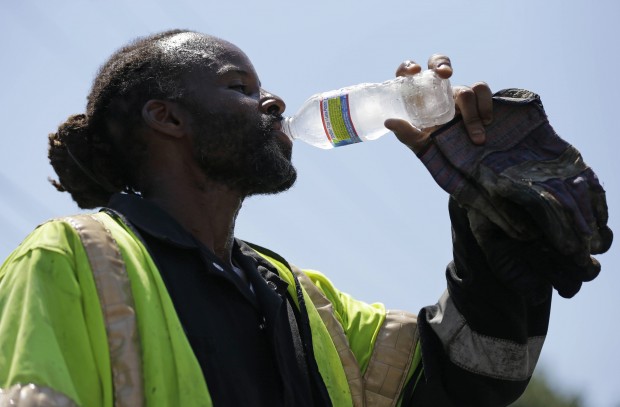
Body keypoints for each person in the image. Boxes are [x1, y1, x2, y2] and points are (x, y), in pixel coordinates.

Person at [0, 30, 611, 407]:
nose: (272, 101)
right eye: (239, 85)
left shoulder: (303, 303)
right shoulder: (69, 259)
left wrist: (484, 206)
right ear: (168, 119)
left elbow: (472, 374)